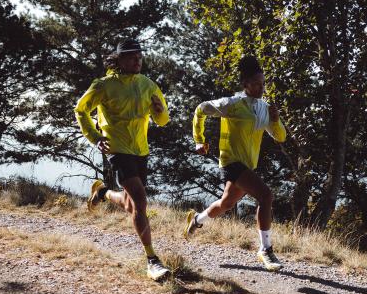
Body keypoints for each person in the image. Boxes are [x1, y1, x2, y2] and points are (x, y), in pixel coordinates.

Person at [74, 39, 170, 281]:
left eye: (139, 56)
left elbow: (163, 121)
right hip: (116, 147)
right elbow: (81, 110)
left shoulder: (148, 85)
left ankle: (103, 192)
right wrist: (95, 137)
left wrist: (159, 112)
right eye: (130, 57)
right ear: (118, 60)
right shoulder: (104, 86)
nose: (137, 60)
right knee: (140, 200)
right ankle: (152, 260)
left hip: (140, 149)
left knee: (130, 204)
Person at [184, 55, 287, 271]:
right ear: (245, 84)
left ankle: (197, 219)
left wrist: (275, 121)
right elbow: (200, 109)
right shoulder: (231, 104)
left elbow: (280, 137)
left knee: (226, 203)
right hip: (230, 161)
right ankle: (265, 249)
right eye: (257, 83)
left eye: (263, 83)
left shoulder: (265, 108)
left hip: (248, 165)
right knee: (266, 195)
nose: (261, 88)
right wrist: (199, 140)